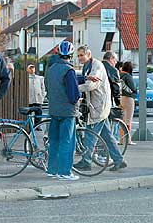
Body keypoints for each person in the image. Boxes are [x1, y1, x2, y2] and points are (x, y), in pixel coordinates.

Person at [73, 46, 127, 172]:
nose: (80, 58)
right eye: (78, 55)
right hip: (98, 105)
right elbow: (87, 80)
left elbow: (92, 85)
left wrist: (75, 88)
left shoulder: (96, 66)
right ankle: (119, 160)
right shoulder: (88, 66)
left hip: (98, 106)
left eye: (82, 55)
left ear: (89, 54)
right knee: (107, 135)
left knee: (90, 134)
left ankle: (86, 161)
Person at [45, 41, 81, 181]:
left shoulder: (51, 68)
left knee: (54, 141)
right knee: (67, 142)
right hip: (67, 112)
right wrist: (78, 99)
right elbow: (73, 94)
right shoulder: (69, 70)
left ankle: (52, 170)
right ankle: (65, 172)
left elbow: (48, 86)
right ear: (70, 55)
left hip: (54, 110)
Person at [120, 62, 137, 145]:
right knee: (128, 120)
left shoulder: (119, 75)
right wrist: (135, 91)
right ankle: (127, 140)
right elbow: (133, 88)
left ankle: (121, 139)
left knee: (122, 120)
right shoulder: (128, 76)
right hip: (128, 98)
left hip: (120, 98)